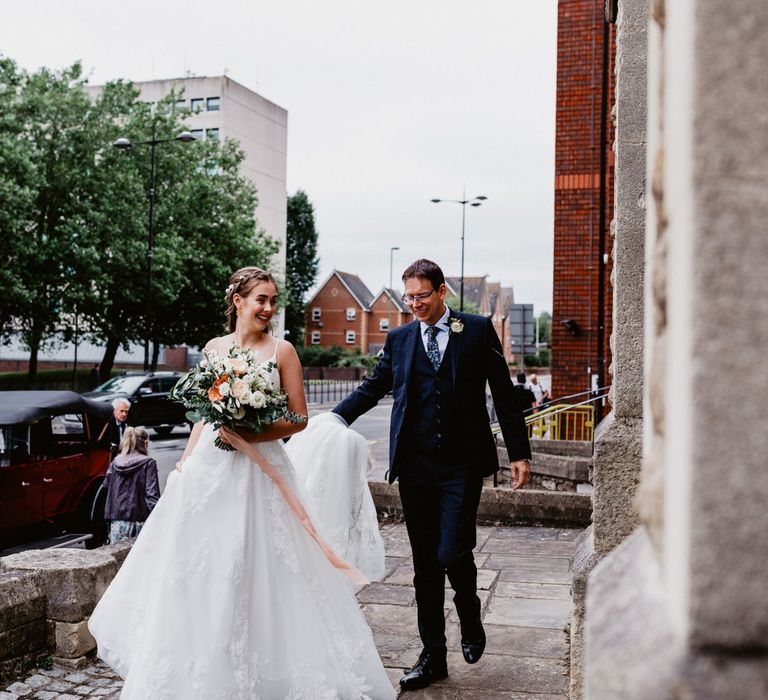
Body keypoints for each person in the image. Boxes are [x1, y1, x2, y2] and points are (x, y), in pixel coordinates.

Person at [88, 267, 395, 699]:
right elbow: (203, 415)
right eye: (261, 300)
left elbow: (299, 419)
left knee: (263, 562)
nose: (269, 308)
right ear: (238, 302)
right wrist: (188, 463)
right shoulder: (214, 349)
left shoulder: (283, 351)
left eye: (273, 301)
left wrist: (252, 429)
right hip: (213, 468)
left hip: (262, 468)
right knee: (202, 564)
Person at [333, 259, 532, 691]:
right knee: (425, 564)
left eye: (423, 296)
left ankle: (469, 609)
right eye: (409, 297)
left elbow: (504, 393)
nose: (415, 304)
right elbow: (374, 386)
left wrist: (519, 452)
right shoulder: (401, 338)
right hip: (416, 466)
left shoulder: (476, 330)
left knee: (451, 550)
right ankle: (433, 655)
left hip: (462, 465)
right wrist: (333, 420)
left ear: (442, 293)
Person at [104, 427, 160, 544]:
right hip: (140, 521)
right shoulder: (148, 463)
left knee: (120, 559)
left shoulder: (115, 463)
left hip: (117, 522)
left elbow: (106, 487)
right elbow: (152, 495)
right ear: (145, 443)